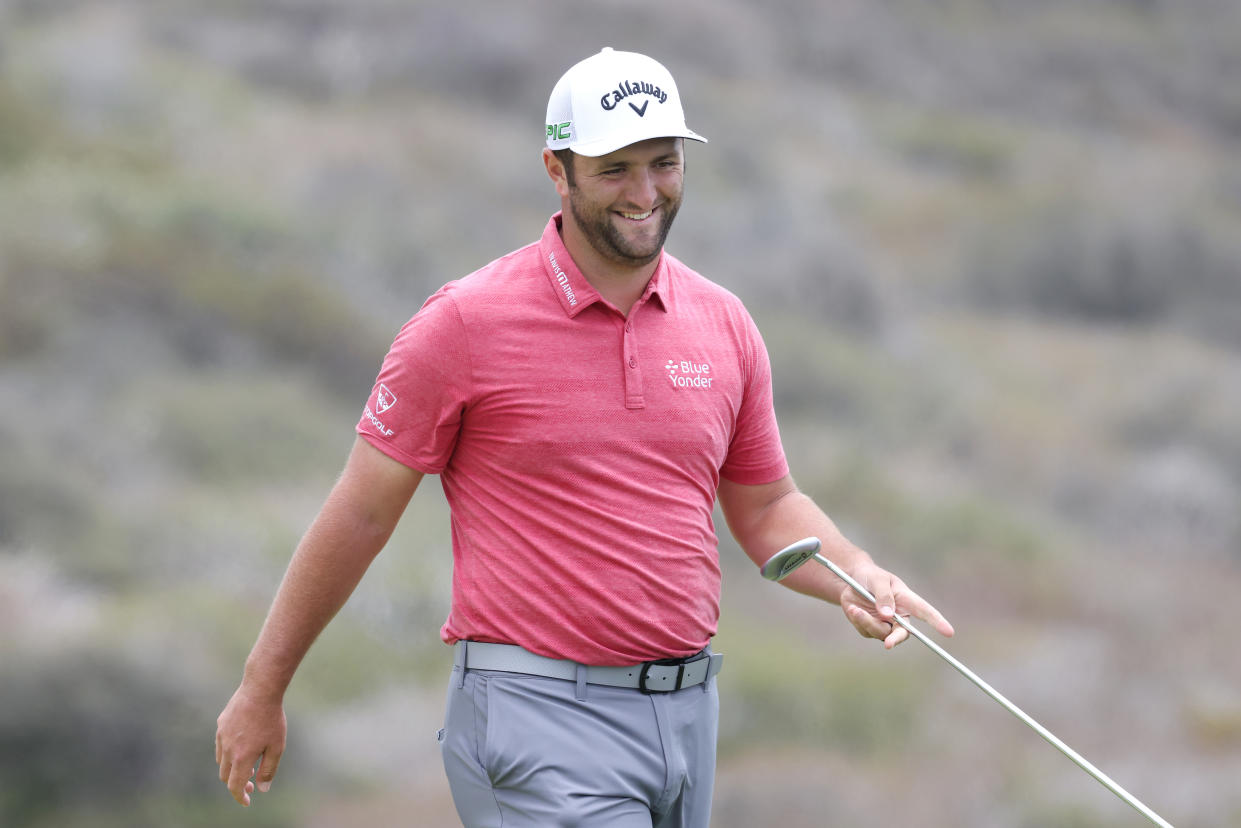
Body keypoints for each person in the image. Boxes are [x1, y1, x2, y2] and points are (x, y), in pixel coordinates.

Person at [215, 47, 954, 827]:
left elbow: (767, 508)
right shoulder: (462, 324)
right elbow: (360, 515)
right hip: (537, 717)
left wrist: (857, 576)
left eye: (663, 164)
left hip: (686, 718)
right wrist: (262, 687)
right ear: (555, 169)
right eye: (614, 170)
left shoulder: (723, 322)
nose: (644, 193)